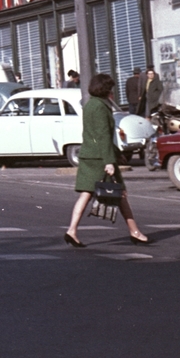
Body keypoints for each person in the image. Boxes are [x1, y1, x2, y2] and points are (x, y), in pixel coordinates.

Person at [65, 73, 149, 248]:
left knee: (86, 193)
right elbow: (103, 136)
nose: (112, 92)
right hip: (100, 158)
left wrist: (116, 153)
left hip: (89, 154)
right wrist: (110, 161)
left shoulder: (89, 106)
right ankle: (135, 232)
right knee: (120, 193)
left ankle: (72, 230)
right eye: (110, 88)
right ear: (105, 89)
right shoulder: (102, 107)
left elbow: (93, 134)